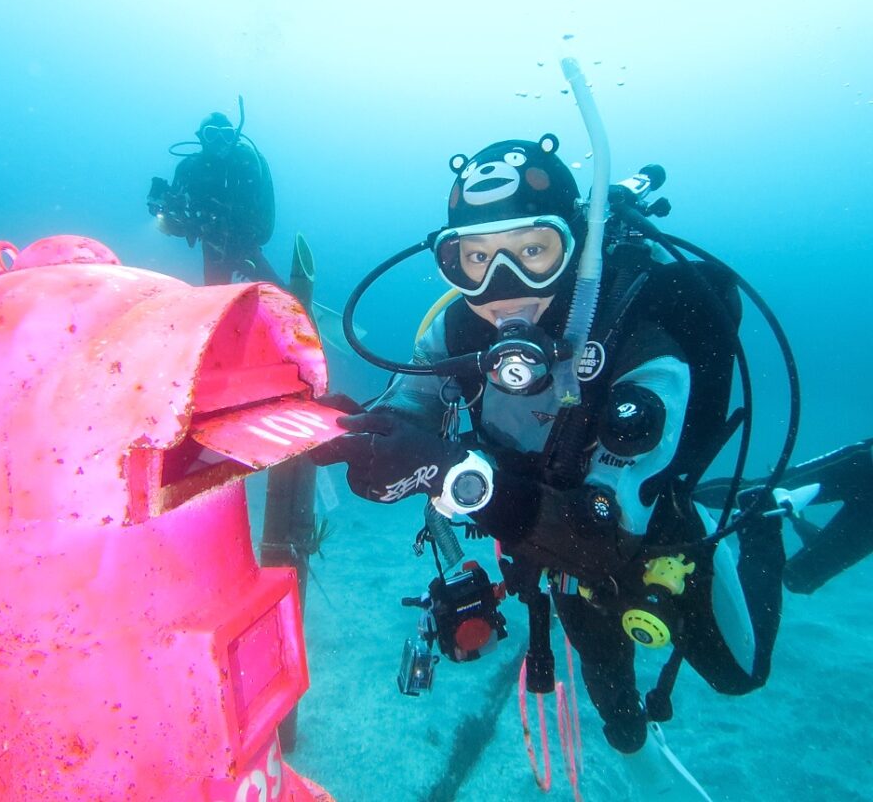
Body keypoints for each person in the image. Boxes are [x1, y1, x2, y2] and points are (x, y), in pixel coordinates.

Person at [313, 132, 787, 797]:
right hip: (547, 548)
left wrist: (447, 473)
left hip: (646, 532)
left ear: (577, 247)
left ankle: (765, 516)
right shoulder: (452, 332)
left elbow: (606, 539)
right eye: (473, 260)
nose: (502, 287)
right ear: (449, 262)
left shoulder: (640, 342)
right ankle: (635, 753)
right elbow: (415, 406)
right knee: (608, 686)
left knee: (740, 672)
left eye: (532, 252)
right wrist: (370, 437)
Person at [696, 438, 873, 594]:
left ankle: (797, 518)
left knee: (799, 579)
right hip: (863, 468)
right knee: (758, 494)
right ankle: (678, 496)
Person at [147, 105, 278, 286]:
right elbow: (175, 224)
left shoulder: (246, 162)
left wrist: (245, 242)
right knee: (216, 298)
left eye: (226, 134)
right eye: (211, 133)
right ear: (201, 137)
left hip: (245, 244)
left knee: (277, 293)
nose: (219, 140)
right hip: (212, 243)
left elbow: (259, 208)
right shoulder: (189, 168)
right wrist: (160, 205)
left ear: (235, 136)